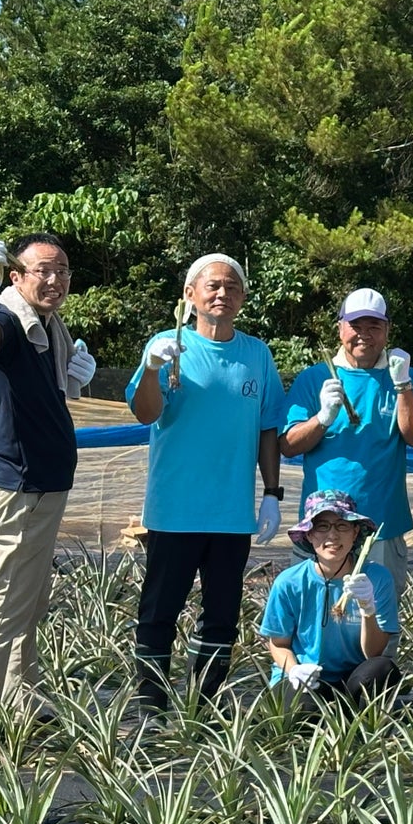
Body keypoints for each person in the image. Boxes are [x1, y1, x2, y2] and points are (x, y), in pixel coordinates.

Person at [0, 232, 96, 720]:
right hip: (16, 483)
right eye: (42, 271)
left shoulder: (50, 328)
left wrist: (73, 379)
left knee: (29, 598)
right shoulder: (6, 322)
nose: (54, 280)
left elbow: (43, 398)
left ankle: (19, 693)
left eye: (62, 270)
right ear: (16, 276)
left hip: (47, 482)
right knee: (5, 595)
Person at [128, 254, 286, 711]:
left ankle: (203, 703)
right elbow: (145, 413)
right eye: (212, 286)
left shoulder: (256, 354)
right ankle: (151, 703)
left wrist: (271, 495)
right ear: (189, 295)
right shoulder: (166, 344)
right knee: (159, 610)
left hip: (231, 514)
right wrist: (153, 369)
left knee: (220, 616)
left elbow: (267, 427)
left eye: (232, 288)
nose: (222, 294)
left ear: (243, 298)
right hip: (174, 510)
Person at [281, 288, 413, 603]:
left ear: (387, 330)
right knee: (313, 616)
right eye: (356, 326)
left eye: (374, 326)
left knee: (379, 619)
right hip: (321, 527)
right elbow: (288, 445)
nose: (364, 334)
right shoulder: (314, 378)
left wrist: (402, 384)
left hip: (382, 527)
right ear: (340, 328)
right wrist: (322, 417)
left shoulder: (404, 375)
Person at [260, 490, 401, 701]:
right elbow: (279, 643)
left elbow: (374, 653)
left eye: (342, 525)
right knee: (305, 709)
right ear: (309, 534)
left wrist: (368, 609)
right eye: (322, 527)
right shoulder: (289, 582)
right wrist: (295, 670)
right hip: (306, 674)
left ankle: (352, 717)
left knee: (382, 669)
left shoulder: (377, 578)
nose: (332, 536)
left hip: (352, 678)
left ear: (355, 533)